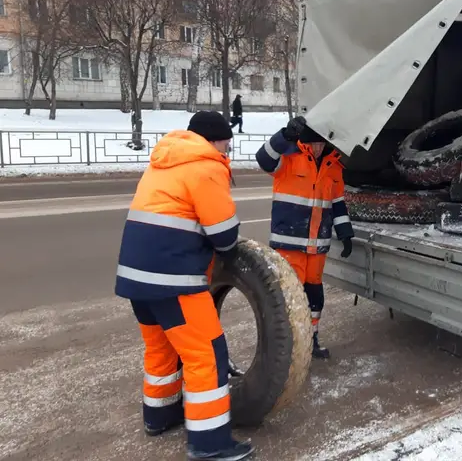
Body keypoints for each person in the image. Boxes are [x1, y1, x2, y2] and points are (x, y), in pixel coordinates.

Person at [115, 111, 254, 461]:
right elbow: (224, 235)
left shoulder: (164, 162)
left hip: (136, 279)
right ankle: (210, 444)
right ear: (214, 140)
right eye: (227, 142)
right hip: (173, 281)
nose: (229, 149)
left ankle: (160, 416)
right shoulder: (206, 166)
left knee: (161, 348)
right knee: (206, 355)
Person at [255, 116, 354, 359]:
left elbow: (337, 203)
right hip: (290, 243)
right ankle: (286, 345)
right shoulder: (288, 159)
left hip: (317, 246)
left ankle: (311, 340)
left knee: (314, 296)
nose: (317, 148)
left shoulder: (334, 166)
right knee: (289, 296)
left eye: (321, 144)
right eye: (313, 144)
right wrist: (284, 136)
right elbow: (263, 158)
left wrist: (345, 232)